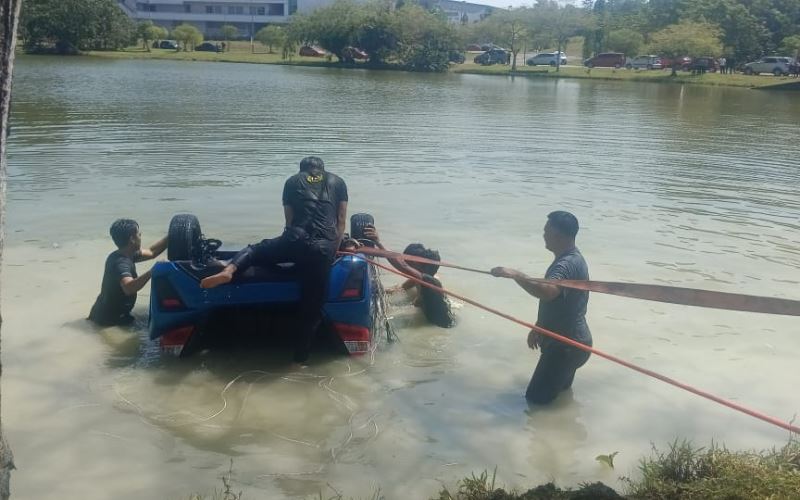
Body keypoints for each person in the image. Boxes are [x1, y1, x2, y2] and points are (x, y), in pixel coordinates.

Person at [200, 156, 348, 365]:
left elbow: (289, 221)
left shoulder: (292, 181)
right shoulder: (338, 181)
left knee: (255, 250)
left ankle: (229, 271)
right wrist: (334, 249)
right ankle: (299, 360)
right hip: (323, 249)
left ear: (302, 170)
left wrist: (289, 245)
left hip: (295, 238)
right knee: (311, 310)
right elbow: (340, 221)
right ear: (323, 169)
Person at [490, 211, 591, 405]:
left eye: (546, 231)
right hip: (577, 344)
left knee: (535, 403)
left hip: (565, 348)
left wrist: (515, 274)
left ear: (558, 234)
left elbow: (548, 292)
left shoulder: (566, 264)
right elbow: (565, 301)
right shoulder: (575, 258)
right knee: (558, 404)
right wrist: (540, 326)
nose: (543, 235)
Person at [362, 225, 455, 328]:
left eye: (408, 262)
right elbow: (400, 289)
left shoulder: (429, 282)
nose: (406, 265)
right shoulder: (418, 279)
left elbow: (402, 266)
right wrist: (382, 292)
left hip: (443, 326)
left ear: (418, 264)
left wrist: (378, 242)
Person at [88, 219, 167, 326]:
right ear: (132, 239)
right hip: (107, 321)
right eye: (139, 234)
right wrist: (153, 271)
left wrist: (174, 234)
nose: (141, 235)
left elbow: (152, 252)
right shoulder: (120, 263)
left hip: (115, 314)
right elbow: (129, 288)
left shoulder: (128, 253)